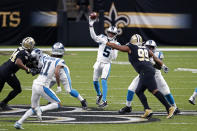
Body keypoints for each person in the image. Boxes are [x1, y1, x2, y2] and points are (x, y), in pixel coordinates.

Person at [105, 34, 176, 119]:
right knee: (138, 91)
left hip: (145, 71)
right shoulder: (145, 48)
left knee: (154, 91)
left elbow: (117, 47)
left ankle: (169, 108)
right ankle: (147, 110)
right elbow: (156, 58)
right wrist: (163, 66)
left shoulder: (131, 47)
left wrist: (105, 42)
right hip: (147, 70)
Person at [119, 40, 180, 114]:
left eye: (151, 47)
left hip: (156, 75)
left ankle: (175, 107)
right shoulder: (141, 51)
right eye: (148, 47)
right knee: (131, 89)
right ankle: (128, 107)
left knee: (166, 92)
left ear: (154, 48)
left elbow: (158, 67)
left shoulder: (158, 54)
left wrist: (153, 63)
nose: (150, 49)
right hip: (144, 73)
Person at [14, 43, 66, 129]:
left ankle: (19, 122)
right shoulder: (60, 61)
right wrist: (59, 86)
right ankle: (41, 109)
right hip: (43, 86)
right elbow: (57, 72)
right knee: (58, 103)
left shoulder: (45, 57)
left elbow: (39, 64)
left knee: (33, 107)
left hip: (35, 84)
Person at [89, 16, 120, 107]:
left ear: (115, 34)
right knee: (95, 81)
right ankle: (99, 94)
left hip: (106, 64)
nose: (110, 34)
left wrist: (113, 47)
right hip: (98, 62)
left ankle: (104, 100)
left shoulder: (117, 44)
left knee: (103, 80)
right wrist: (91, 26)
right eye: (109, 32)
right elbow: (94, 37)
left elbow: (114, 57)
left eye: (112, 33)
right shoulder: (102, 37)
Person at [0, 37, 38, 111]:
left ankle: (3, 104)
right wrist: (28, 69)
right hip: (8, 72)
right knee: (17, 89)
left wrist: (28, 68)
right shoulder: (24, 53)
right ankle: (3, 103)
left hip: (2, 69)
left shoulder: (20, 49)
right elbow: (18, 62)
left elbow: (23, 61)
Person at [48, 42, 88, 109]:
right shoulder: (52, 58)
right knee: (45, 88)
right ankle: (52, 100)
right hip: (55, 73)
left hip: (63, 74)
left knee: (69, 90)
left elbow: (57, 72)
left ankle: (83, 101)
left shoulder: (60, 61)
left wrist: (58, 86)